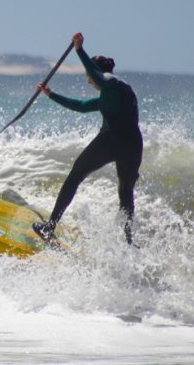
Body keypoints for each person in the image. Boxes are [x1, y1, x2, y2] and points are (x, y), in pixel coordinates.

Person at [33, 32, 143, 246]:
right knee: (126, 193)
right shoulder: (118, 89)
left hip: (112, 140)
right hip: (133, 145)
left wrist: (79, 49)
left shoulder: (108, 81)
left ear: (96, 72)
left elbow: (99, 77)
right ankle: (129, 242)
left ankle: (49, 227)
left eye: (89, 75)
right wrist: (51, 94)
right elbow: (82, 107)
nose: (89, 80)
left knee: (75, 176)